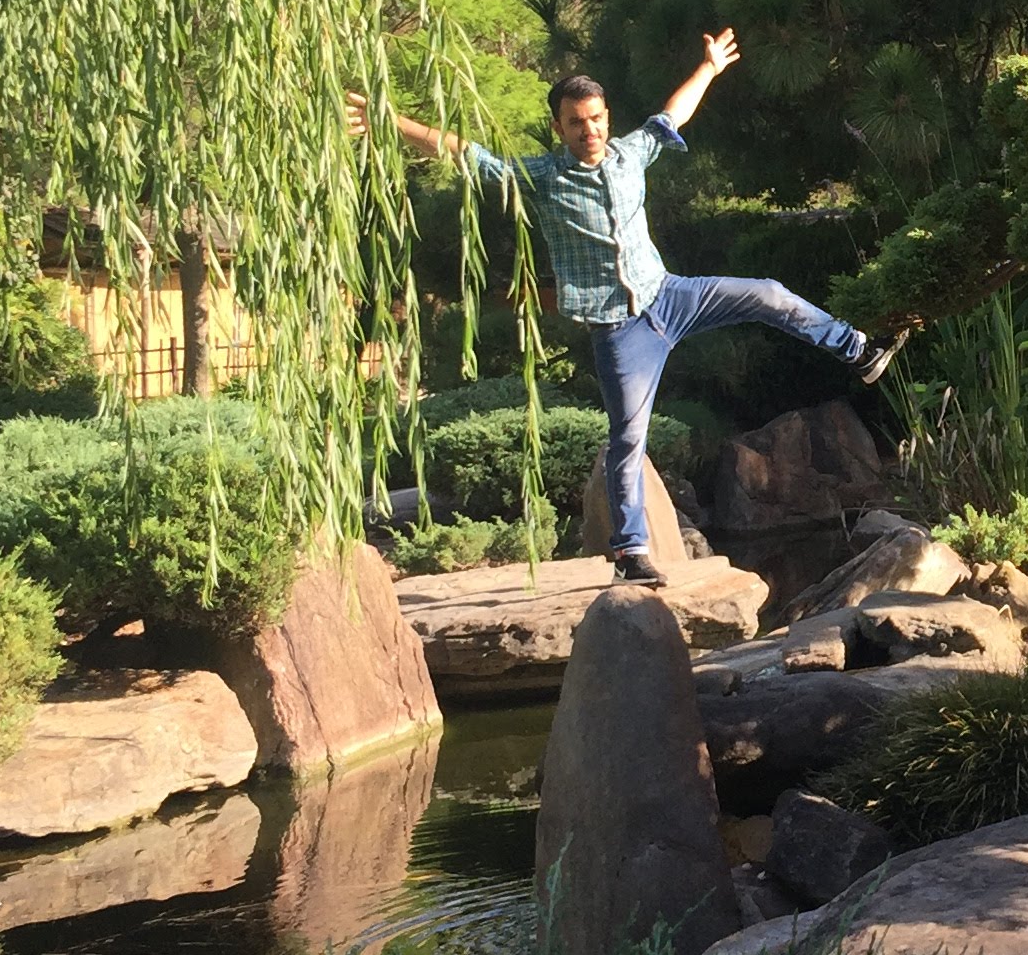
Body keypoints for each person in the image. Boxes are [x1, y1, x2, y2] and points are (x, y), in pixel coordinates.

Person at [354, 29, 898, 586]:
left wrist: (708, 67)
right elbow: (464, 153)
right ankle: (632, 553)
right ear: (558, 127)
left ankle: (857, 351)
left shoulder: (632, 153)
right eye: (575, 122)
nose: (588, 130)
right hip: (621, 329)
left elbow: (673, 114)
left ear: (607, 117)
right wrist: (389, 121)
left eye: (595, 118)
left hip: (672, 295)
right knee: (628, 438)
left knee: (768, 293)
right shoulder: (541, 178)